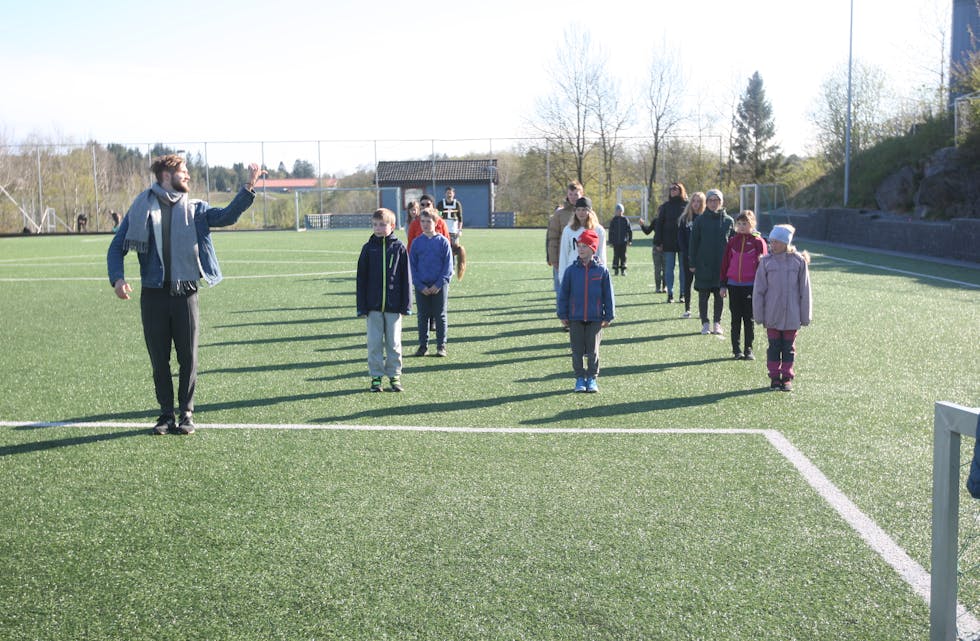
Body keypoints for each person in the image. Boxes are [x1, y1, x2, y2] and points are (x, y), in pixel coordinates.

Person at [107, 154, 263, 435]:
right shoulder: (141, 207)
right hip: (153, 294)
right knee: (159, 359)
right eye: (184, 171)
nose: (188, 175)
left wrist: (249, 186)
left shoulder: (196, 209)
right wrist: (118, 278)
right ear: (167, 176)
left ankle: (186, 413)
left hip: (186, 293)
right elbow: (117, 246)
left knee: (188, 358)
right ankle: (166, 414)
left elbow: (226, 216)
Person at [357, 208, 412, 392]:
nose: (378, 228)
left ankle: (394, 376)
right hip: (372, 307)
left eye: (382, 225)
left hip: (394, 307)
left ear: (392, 226)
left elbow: (406, 278)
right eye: (375, 225)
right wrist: (361, 306)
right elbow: (361, 280)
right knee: (374, 343)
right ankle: (376, 377)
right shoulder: (368, 248)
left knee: (394, 343)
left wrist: (406, 304)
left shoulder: (399, 248)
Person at [753, 224, 812, 392]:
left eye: (776, 242)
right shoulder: (766, 262)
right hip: (772, 314)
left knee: (788, 348)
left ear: (786, 242)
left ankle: (786, 377)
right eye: (771, 241)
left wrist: (805, 316)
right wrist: (759, 314)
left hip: (792, 315)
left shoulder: (799, 262)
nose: (773, 245)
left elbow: (805, 290)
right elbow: (759, 290)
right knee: (774, 347)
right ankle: (774, 377)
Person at [557, 228, 614, 393]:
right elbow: (563, 294)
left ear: (592, 248)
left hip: (595, 318)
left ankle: (592, 378)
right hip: (575, 317)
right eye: (579, 246)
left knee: (593, 351)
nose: (580, 249)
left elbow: (608, 295)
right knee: (576, 351)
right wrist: (562, 314)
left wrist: (609, 315)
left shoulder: (602, 271)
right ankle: (580, 378)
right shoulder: (571, 271)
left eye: (584, 246)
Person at [719, 210, 768, 360]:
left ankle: (748, 349)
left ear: (752, 224)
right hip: (733, 285)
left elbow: (764, 265)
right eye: (739, 223)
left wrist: (763, 286)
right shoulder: (732, 241)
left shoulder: (758, 242)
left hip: (750, 286)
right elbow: (725, 263)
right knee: (735, 318)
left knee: (748, 318)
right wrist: (723, 284)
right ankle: (736, 350)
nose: (741, 226)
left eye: (744, 223)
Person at [689, 188, 734, 335]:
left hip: (721, 266)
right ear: (706, 202)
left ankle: (717, 323)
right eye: (711, 200)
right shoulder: (700, 220)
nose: (714, 203)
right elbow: (693, 243)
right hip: (703, 265)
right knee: (703, 296)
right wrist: (692, 263)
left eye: (716, 200)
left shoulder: (729, 221)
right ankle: (705, 323)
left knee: (719, 296)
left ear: (721, 202)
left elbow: (733, 243)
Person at [409, 208, 453, 358]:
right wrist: (419, 285)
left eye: (429, 221)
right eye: (423, 221)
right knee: (422, 316)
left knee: (440, 316)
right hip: (422, 287)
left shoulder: (443, 242)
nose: (425, 224)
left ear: (436, 223)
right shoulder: (416, 243)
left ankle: (441, 346)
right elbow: (412, 267)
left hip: (439, 286)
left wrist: (439, 284)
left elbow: (448, 267)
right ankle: (423, 346)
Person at [546, 181, 584, 310]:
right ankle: (564, 316)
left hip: (581, 258)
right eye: (570, 194)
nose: (573, 197)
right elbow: (553, 237)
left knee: (580, 289)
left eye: (576, 194)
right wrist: (553, 259)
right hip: (562, 258)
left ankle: (578, 315)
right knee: (561, 290)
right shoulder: (559, 214)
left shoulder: (587, 213)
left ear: (581, 194)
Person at [557, 196, 607, 285]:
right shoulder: (568, 230)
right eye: (578, 210)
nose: (581, 213)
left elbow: (601, 254)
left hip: (593, 273)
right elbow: (564, 254)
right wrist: (562, 277)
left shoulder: (598, 230)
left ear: (590, 211)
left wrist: (603, 276)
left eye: (584, 210)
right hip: (574, 272)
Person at [653, 183, 688, 302]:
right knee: (669, 269)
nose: (672, 190)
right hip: (668, 242)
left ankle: (683, 294)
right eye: (671, 189)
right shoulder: (665, 206)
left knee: (683, 269)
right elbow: (659, 225)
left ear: (680, 190)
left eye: (675, 188)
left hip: (683, 242)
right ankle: (670, 294)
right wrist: (658, 242)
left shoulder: (686, 205)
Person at [677, 191, 704, 319]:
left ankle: (702, 310)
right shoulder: (684, 218)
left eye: (699, 201)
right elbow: (681, 239)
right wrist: (688, 253)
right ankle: (687, 309)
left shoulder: (705, 218)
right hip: (688, 256)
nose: (696, 204)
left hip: (702, 257)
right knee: (687, 282)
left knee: (702, 284)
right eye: (694, 201)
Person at [437, 186, 467, 280]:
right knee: (443, 249)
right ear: (445, 194)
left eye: (450, 193)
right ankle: (442, 267)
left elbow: (460, 218)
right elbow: (438, 216)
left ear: (453, 194)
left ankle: (452, 267)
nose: (449, 195)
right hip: (443, 230)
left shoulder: (457, 204)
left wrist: (459, 230)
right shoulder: (441, 204)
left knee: (453, 250)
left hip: (453, 230)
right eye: (447, 193)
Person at [607, 203, 632, 276]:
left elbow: (629, 231)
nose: (619, 212)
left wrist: (629, 240)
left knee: (623, 256)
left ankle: (623, 270)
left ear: (622, 211)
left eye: (620, 210)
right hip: (615, 242)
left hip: (623, 242)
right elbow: (610, 231)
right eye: (617, 210)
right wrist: (610, 241)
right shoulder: (613, 220)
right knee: (616, 256)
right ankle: (616, 270)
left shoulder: (625, 220)